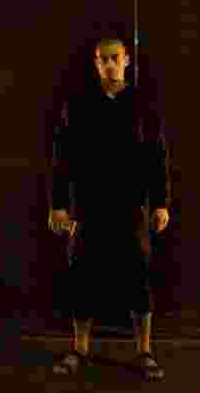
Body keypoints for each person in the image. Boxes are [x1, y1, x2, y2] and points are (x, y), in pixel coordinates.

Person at [48, 36, 171, 381]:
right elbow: (62, 159)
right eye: (103, 59)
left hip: (132, 205)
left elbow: (157, 156)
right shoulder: (79, 104)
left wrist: (161, 203)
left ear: (127, 60)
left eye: (115, 58)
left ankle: (145, 350)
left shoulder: (143, 103)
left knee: (139, 276)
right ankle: (80, 348)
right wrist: (58, 206)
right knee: (82, 276)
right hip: (88, 205)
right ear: (96, 64)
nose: (110, 64)